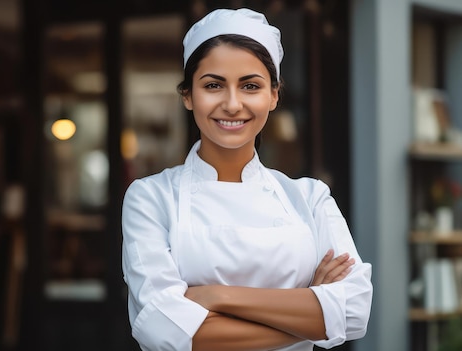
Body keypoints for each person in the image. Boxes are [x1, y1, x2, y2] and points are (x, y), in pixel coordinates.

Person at [121, 7, 373, 351]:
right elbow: (164, 330)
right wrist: (311, 311)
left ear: (273, 95)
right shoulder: (150, 198)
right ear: (187, 96)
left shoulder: (309, 198)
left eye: (250, 86)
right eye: (213, 85)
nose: (232, 103)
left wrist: (217, 296)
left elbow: (355, 310)